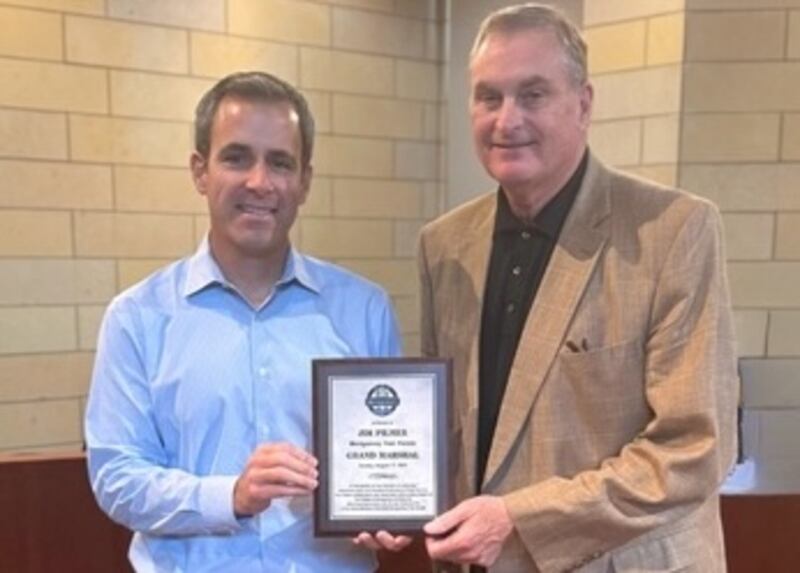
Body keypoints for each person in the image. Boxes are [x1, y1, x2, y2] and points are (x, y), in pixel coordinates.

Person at [417, 4, 739, 572]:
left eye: (533, 94)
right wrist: (388, 501)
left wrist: (518, 517)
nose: (506, 119)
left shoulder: (672, 230)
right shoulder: (443, 246)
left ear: (583, 104)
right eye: (488, 97)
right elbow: (446, 432)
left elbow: (691, 450)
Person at [85, 71, 404, 572]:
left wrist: (388, 509)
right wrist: (230, 494)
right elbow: (117, 478)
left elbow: (385, 458)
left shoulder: (364, 309)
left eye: (280, 162)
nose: (259, 182)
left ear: (304, 182)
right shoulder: (136, 318)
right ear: (199, 171)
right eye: (236, 158)